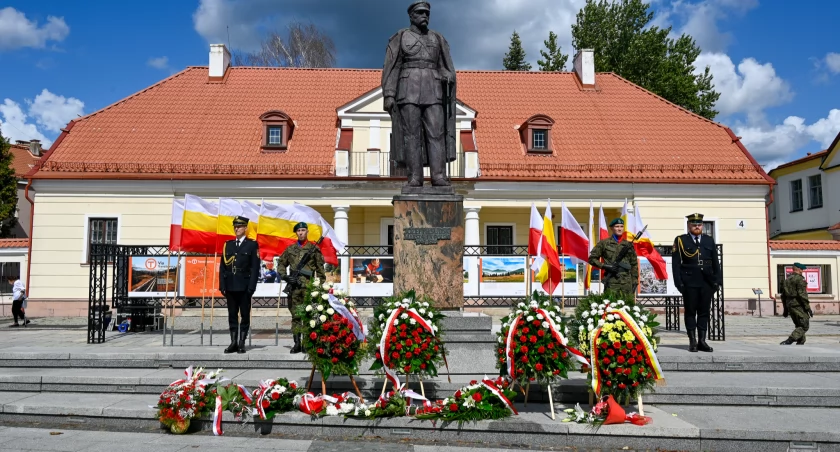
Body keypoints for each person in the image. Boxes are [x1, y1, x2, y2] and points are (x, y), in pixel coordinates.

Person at [381, 0, 458, 188]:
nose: (425, 16)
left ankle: (438, 176)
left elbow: (447, 68)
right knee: (411, 135)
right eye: (421, 13)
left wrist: (447, 76)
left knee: (436, 134)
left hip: (434, 90)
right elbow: (392, 67)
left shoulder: (437, 38)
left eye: (427, 14)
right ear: (411, 16)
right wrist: (389, 94)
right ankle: (415, 177)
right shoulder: (401, 37)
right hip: (408, 91)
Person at [672, 213, 721, 353]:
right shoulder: (681, 240)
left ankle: (702, 341)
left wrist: (717, 281)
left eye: (699, 225)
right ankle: (692, 341)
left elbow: (715, 262)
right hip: (689, 282)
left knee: (704, 312)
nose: (697, 227)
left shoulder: (709, 240)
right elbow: (676, 264)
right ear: (689, 225)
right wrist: (679, 283)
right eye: (694, 225)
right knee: (691, 312)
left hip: (706, 282)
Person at [277, 222, 325, 354]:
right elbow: (281, 264)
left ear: (307, 231)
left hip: (309, 289)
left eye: (303, 230)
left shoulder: (314, 249)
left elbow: (321, 271)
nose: (301, 233)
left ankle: (307, 344)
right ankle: (297, 343)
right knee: (296, 316)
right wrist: (286, 277)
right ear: (296, 233)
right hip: (294, 288)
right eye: (299, 231)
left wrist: (318, 287)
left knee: (309, 317)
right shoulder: (290, 249)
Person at [218, 216, 260, 354]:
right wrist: (222, 285)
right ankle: (233, 342)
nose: (237, 229)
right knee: (232, 314)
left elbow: (255, 268)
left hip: (244, 285)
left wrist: (252, 287)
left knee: (245, 315)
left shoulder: (252, 245)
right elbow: (223, 267)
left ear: (245, 228)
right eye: (235, 226)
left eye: (240, 226)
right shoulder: (228, 245)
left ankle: (242, 342)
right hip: (230, 284)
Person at [588, 218, 639, 298]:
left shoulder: (628, 245)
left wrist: (635, 280)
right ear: (611, 228)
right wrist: (605, 266)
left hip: (626, 281)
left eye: (621, 226)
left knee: (627, 306)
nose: (619, 229)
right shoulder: (604, 243)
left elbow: (634, 264)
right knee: (610, 305)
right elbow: (592, 259)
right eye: (617, 226)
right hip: (611, 279)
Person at [781, 262, 813, 345]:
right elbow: (802, 294)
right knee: (804, 326)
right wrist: (807, 307)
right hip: (798, 305)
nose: (802, 271)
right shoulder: (799, 279)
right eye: (801, 269)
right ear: (798, 269)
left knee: (798, 324)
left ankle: (800, 341)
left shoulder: (787, 280)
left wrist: (785, 308)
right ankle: (790, 340)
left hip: (790, 305)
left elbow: (783, 295)